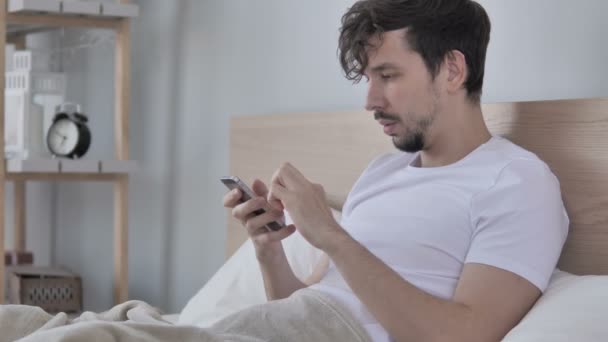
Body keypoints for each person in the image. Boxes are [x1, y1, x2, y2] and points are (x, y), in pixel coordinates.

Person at [223, 0, 569, 341]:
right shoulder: (380, 173)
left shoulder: (517, 182)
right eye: (368, 78)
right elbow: (304, 309)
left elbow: (465, 335)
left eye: (387, 76)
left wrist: (331, 235)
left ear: (452, 70)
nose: (370, 101)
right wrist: (269, 250)